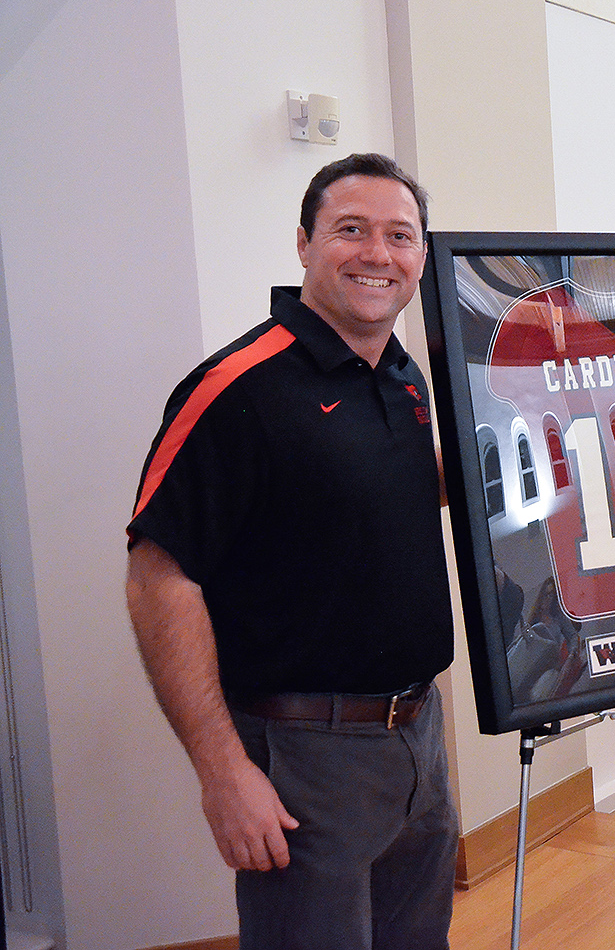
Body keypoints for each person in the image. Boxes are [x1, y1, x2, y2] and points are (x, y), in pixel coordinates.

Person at [125, 153, 458, 950]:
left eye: (400, 236)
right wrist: (223, 771)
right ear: (304, 243)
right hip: (303, 758)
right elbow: (158, 575)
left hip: (417, 736)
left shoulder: (403, 375)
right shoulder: (235, 389)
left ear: (420, 258)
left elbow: (388, 488)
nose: (378, 254)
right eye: (352, 230)